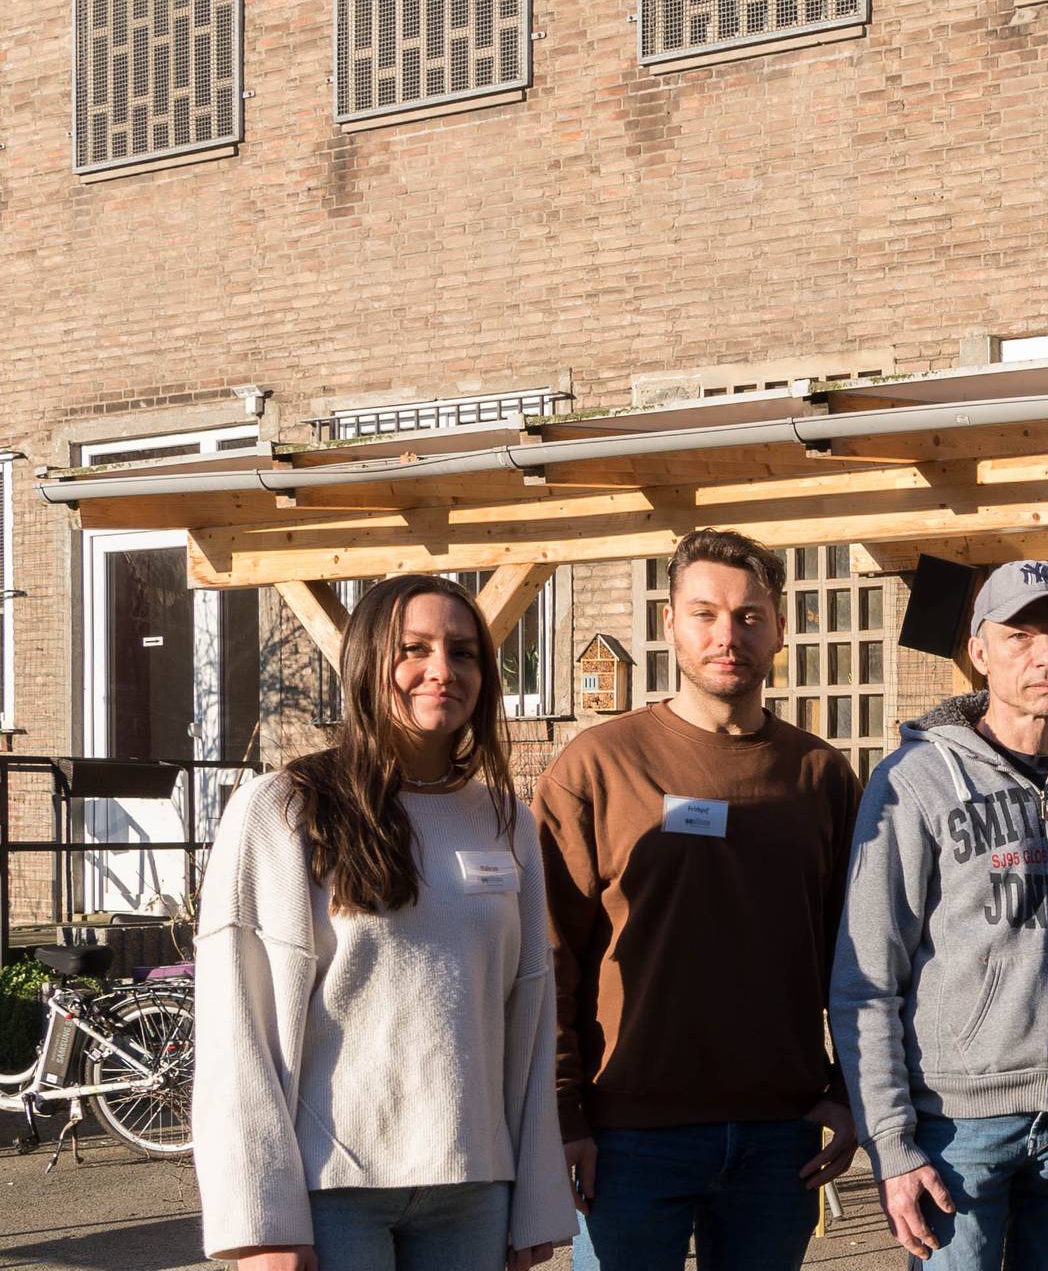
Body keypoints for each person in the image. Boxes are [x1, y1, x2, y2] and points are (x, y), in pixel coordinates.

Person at [195, 574, 571, 1271]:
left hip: (474, 1187)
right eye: (414, 649)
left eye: (463, 653)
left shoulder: (506, 821)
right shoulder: (282, 808)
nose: (442, 671)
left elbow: (528, 1015)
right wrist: (261, 1221)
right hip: (332, 1192)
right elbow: (236, 1027)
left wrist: (535, 1201)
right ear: (367, 663)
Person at [535, 529, 863, 1270]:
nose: (728, 635)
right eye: (705, 613)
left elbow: (862, 955)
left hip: (780, 1136)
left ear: (782, 628)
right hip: (626, 1137)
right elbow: (546, 956)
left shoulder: (820, 776)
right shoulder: (598, 766)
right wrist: (561, 1114)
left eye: (750, 616)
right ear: (670, 625)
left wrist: (849, 1091)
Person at [831, 559, 1048, 1271]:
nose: (1047, 656)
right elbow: (867, 978)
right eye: (1021, 636)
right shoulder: (914, 782)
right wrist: (890, 1143)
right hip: (958, 1128)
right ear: (979, 653)